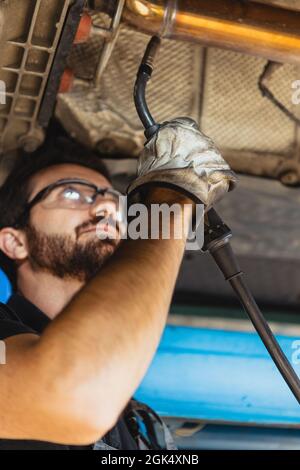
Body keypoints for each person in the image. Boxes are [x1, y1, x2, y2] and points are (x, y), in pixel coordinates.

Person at [0, 119, 236, 450]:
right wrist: (173, 199)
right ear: (14, 242)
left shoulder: (137, 424)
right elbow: (77, 396)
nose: (108, 207)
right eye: (71, 192)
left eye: (113, 198)